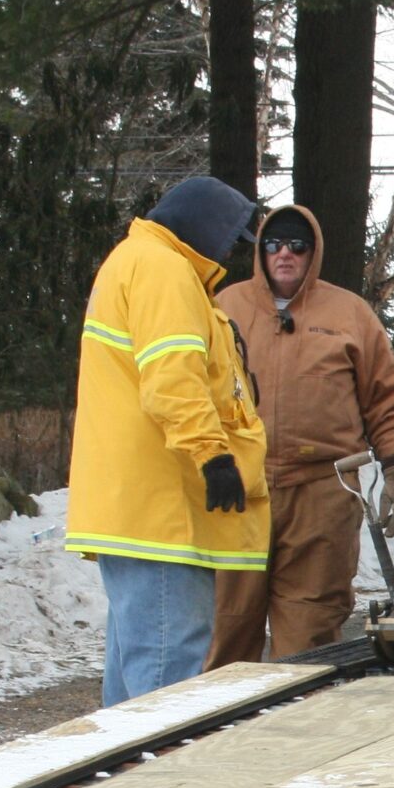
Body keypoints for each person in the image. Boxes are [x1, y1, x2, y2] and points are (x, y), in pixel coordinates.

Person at [67, 175, 270, 706]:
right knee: (166, 680)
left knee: (134, 684)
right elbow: (173, 378)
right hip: (162, 512)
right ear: (203, 227)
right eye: (230, 239)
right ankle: (162, 787)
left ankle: (125, 783)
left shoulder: (138, 262)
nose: (231, 253)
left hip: (138, 507)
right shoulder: (163, 269)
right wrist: (213, 454)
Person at [207, 204, 394, 666]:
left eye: (297, 246)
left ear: (314, 252)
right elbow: (193, 390)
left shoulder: (350, 313)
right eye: (274, 244)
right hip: (240, 490)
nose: (285, 254)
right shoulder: (224, 308)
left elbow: (387, 397)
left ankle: (298, 732)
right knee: (224, 628)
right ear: (260, 251)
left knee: (310, 635)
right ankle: (219, 733)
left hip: (324, 490)